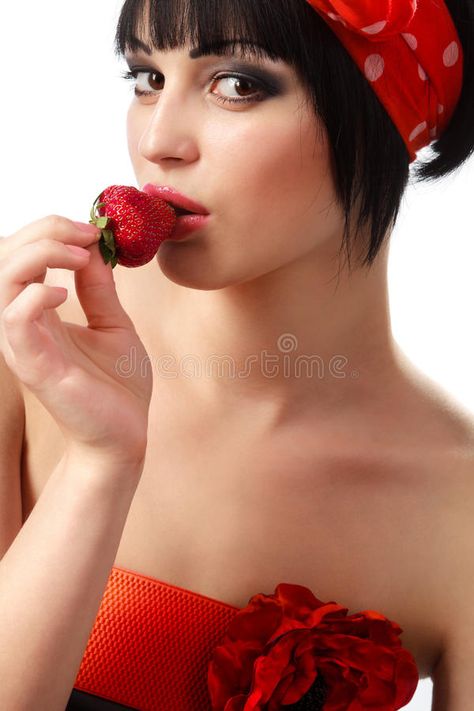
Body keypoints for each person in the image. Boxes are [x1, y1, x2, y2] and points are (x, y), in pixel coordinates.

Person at [0, 0, 473, 709]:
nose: (159, 140)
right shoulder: (33, 337)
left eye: (239, 84)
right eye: (147, 77)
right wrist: (100, 466)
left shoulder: (457, 510)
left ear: (384, 119)